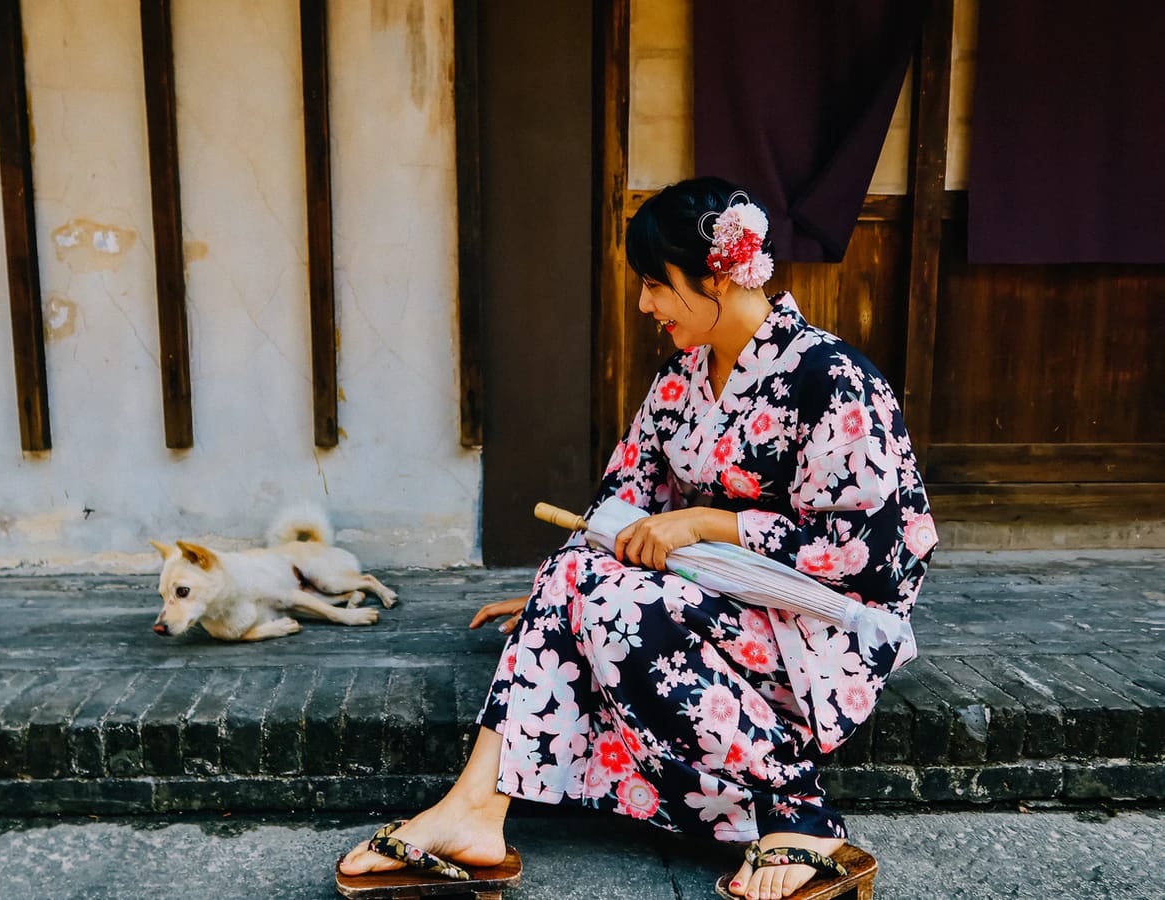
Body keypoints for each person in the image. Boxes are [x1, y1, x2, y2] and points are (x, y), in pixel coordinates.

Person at [340, 177, 937, 900]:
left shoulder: (833, 378)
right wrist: (547, 600)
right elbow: (618, 508)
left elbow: (870, 550)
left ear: (718, 274)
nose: (646, 304)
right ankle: (475, 809)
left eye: (657, 285)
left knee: (608, 600)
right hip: (708, 602)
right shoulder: (679, 380)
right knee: (576, 581)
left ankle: (797, 809)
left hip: (819, 626)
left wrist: (709, 522)